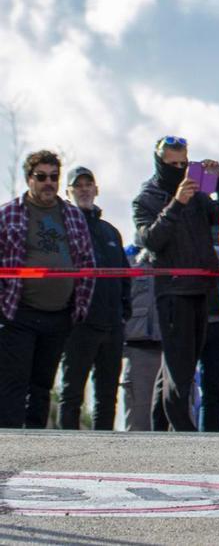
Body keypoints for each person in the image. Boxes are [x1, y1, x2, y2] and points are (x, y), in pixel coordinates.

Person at [132, 136, 219, 432]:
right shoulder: (147, 197)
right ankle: (185, 432)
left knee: (177, 367)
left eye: (183, 163)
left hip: (202, 288)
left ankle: (159, 427)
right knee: (180, 371)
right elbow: (150, 240)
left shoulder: (199, 193)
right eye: (172, 164)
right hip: (172, 291)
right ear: (159, 163)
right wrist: (177, 203)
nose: (179, 169)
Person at [0, 150, 95, 429]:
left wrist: (79, 308)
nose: (48, 183)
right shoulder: (8, 214)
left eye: (53, 177)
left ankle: (37, 443)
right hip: (18, 314)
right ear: (29, 179)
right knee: (13, 382)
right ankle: (9, 442)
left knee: (43, 386)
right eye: (41, 177)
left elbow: (87, 264)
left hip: (59, 315)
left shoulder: (73, 216)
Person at [57, 167, 131, 430]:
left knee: (107, 395)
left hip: (112, 325)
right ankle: (63, 449)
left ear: (97, 190)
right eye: (78, 186)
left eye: (89, 184)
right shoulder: (64, 229)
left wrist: (124, 312)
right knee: (72, 392)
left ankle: (104, 451)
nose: (84, 189)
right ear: (68, 192)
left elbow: (125, 276)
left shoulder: (110, 232)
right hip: (79, 325)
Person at [121, 245, 163, 431]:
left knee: (178, 424)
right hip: (137, 348)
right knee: (139, 422)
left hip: (171, 348)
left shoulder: (178, 254)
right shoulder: (128, 258)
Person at [198, 227, 219, 432]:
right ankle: (167, 437)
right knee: (178, 387)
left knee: (215, 389)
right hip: (191, 317)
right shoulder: (189, 222)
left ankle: (211, 438)